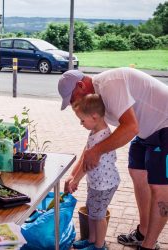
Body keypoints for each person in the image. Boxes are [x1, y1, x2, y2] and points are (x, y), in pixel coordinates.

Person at [58, 68, 168, 250]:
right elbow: (94, 144)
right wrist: (74, 175)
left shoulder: (109, 85)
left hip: (164, 125)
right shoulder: (96, 100)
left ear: (80, 85)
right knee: (137, 173)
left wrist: (97, 152)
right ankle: (143, 232)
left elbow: (130, 127)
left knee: (160, 189)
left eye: (72, 99)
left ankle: (148, 245)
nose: (73, 105)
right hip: (145, 129)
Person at [65, 93, 120, 250]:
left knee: (99, 215)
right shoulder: (95, 132)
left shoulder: (100, 138)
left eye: (82, 120)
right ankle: (91, 239)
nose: (81, 124)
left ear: (94, 117)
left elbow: (88, 164)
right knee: (91, 211)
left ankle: (99, 245)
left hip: (104, 185)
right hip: (96, 182)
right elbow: (85, 160)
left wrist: (75, 180)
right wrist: (73, 177)